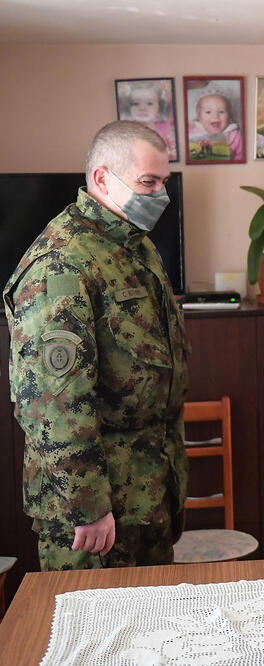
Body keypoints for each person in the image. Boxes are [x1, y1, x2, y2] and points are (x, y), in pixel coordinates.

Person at [3, 120, 189, 571]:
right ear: (103, 178)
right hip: (96, 516)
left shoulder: (133, 244)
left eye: (163, 181)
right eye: (148, 182)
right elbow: (53, 403)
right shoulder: (61, 264)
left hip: (148, 493)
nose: (161, 194)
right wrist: (87, 506)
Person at [120, 81, 177, 161]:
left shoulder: (168, 129)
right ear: (129, 109)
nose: (142, 108)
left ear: (159, 108)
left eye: (149, 103)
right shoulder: (125, 134)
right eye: (136, 103)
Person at [187, 90, 244, 161]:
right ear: (199, 117)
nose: (215, 116)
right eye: (208, 112)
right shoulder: (192, 132)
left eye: (221, 111)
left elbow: (241, 155)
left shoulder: (235, 135)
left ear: (229, 116)